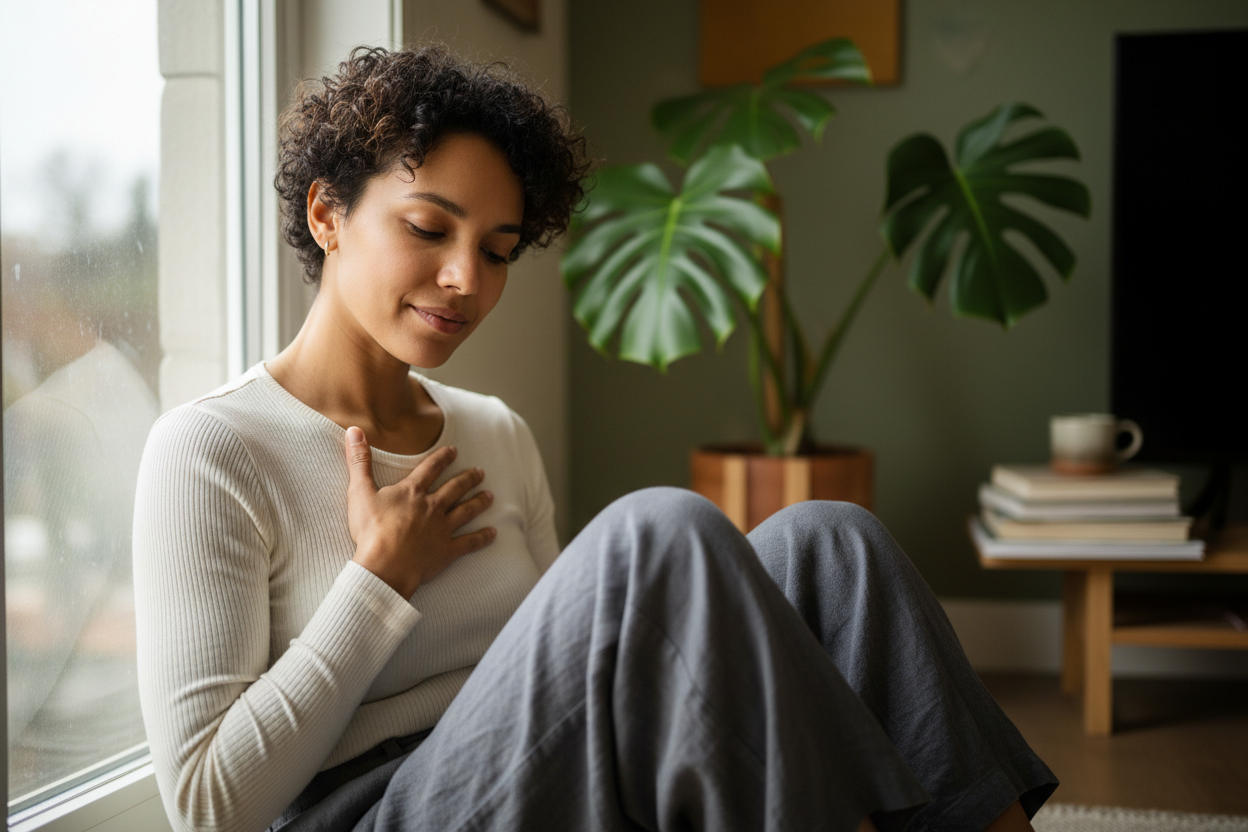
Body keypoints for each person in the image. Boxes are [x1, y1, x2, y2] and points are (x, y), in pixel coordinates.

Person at [133, 45, 1056, 832]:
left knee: (833, 543)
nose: (465, 279)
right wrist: (379, 582)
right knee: (656, 534)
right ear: (327, 214)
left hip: (545, 777)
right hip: (376, 811)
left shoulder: (493, 431)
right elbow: (210, 805)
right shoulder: (211, 451)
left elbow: (581, 658)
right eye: (428, 228)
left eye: (497, 251)